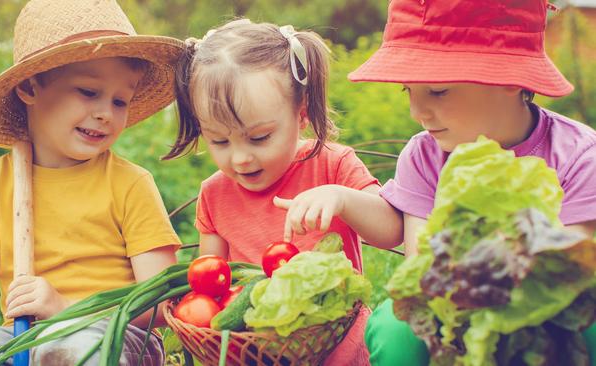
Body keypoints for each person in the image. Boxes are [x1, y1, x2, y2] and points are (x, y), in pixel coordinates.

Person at [344, 0, 596, 364]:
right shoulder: (424, 156)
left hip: (549, 313)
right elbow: (422, 269)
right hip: (454, 309)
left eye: (438, 91)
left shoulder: (580, 154)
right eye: (408, 91)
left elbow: (571, 274)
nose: (417, 112)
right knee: (395, 328)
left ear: (511, 79)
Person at [0, 0, 184, 364]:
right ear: (29, 87)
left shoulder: (129, 183)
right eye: (89, 92)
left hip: (113, 336)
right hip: (22, 339)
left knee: (71, 347)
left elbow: (160, 305)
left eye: (121, 101)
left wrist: (65, 308)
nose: (106, 112)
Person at [163, 19, 403, 365]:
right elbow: (211, 288)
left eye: (259, 138)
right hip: (255, 353)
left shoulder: (333, 165)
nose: (241, 158)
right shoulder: (214, 193)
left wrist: (342, 199)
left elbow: (392, 232)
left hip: (340, 347)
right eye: (219, 140)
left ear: (301, 114)